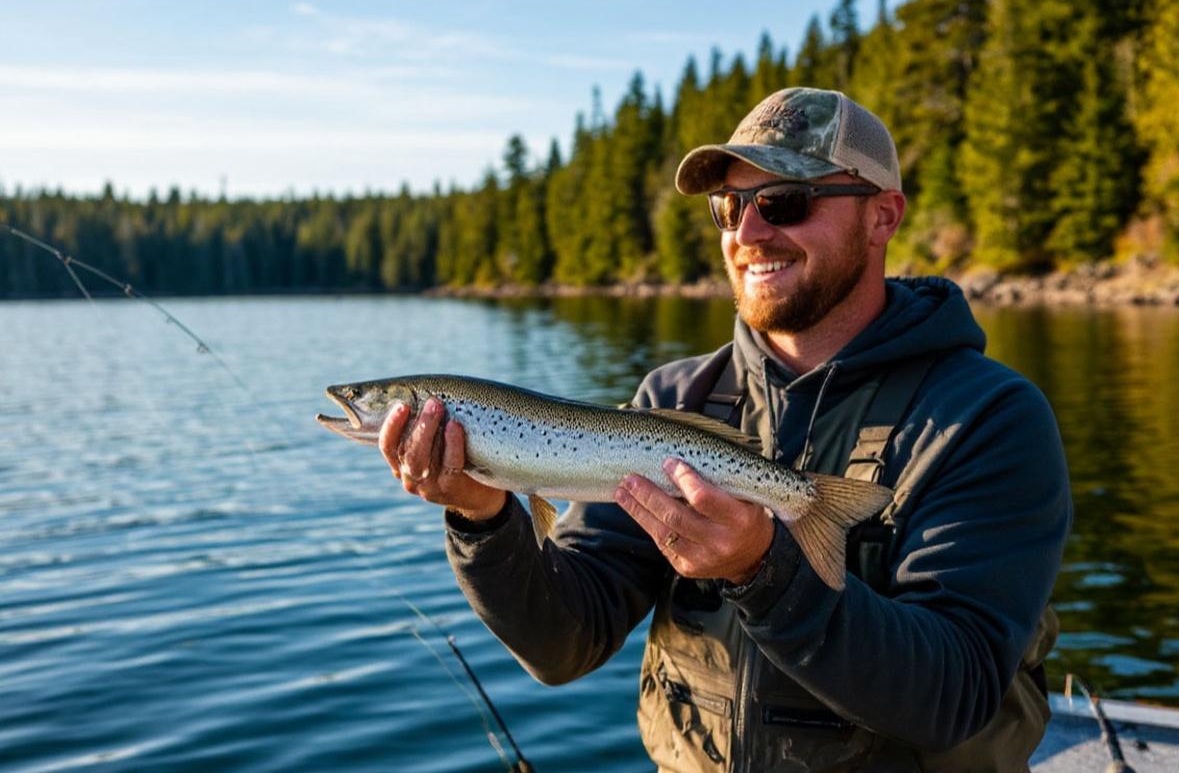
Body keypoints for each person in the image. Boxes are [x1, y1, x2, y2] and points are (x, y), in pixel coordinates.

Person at [377, 87, 1072, 772]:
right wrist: (482, 515)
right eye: (729, 206)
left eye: (784, 203)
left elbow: (953, 698)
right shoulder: (675, 398)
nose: (747, 233)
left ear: (882, 216)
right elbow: (566, 643)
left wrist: (761, 570)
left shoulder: (985, 418)